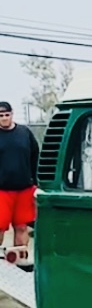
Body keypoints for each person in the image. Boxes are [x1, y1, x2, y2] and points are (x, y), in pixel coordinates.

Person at [0, 102, 40, 262]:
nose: (4, 118)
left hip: (24, 189)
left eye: (6, 115)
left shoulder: (25, 133)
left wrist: (35, 181)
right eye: (0, 116)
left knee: (22, 227)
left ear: (12, 114)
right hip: (2, 191)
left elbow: (35, 156)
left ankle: (19, 260)